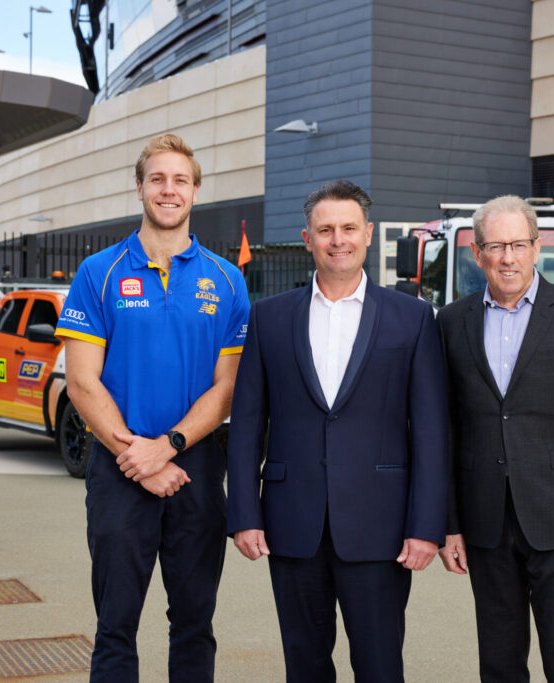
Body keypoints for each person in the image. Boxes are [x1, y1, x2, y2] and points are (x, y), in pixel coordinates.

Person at [227, 179, 448, 682]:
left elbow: (432, 431)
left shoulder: (412, 319)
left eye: (348, 228)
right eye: (325, 230)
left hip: (382, 527)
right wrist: (243, 512)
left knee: (379, 666)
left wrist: (425, 526)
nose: (338, 239)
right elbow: (246, 425)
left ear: (368, 235)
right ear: (307, 239)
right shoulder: (269, 318)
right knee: (304, 666)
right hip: (291, 525)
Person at [55, 133, 250, 682]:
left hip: (198, 468)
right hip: (119, 470)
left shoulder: (227, 279)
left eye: (180, 180)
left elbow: (227, 386)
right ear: (139, 187)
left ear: (196, 191)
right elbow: (82, 383)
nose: (169, 190)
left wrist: (167, 450)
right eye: (158, 179)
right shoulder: (100, 272)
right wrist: (136, 458)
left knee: (194, 624)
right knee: (115, 626)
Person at [435, 194, 554, 682]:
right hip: (485, 524)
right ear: (477, 254)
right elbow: (447, 432)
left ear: (537, 248)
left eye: (518, 244)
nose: (507, 257)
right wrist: (450, 524)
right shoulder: (452, 322)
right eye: (495, 246)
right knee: (498, 663)